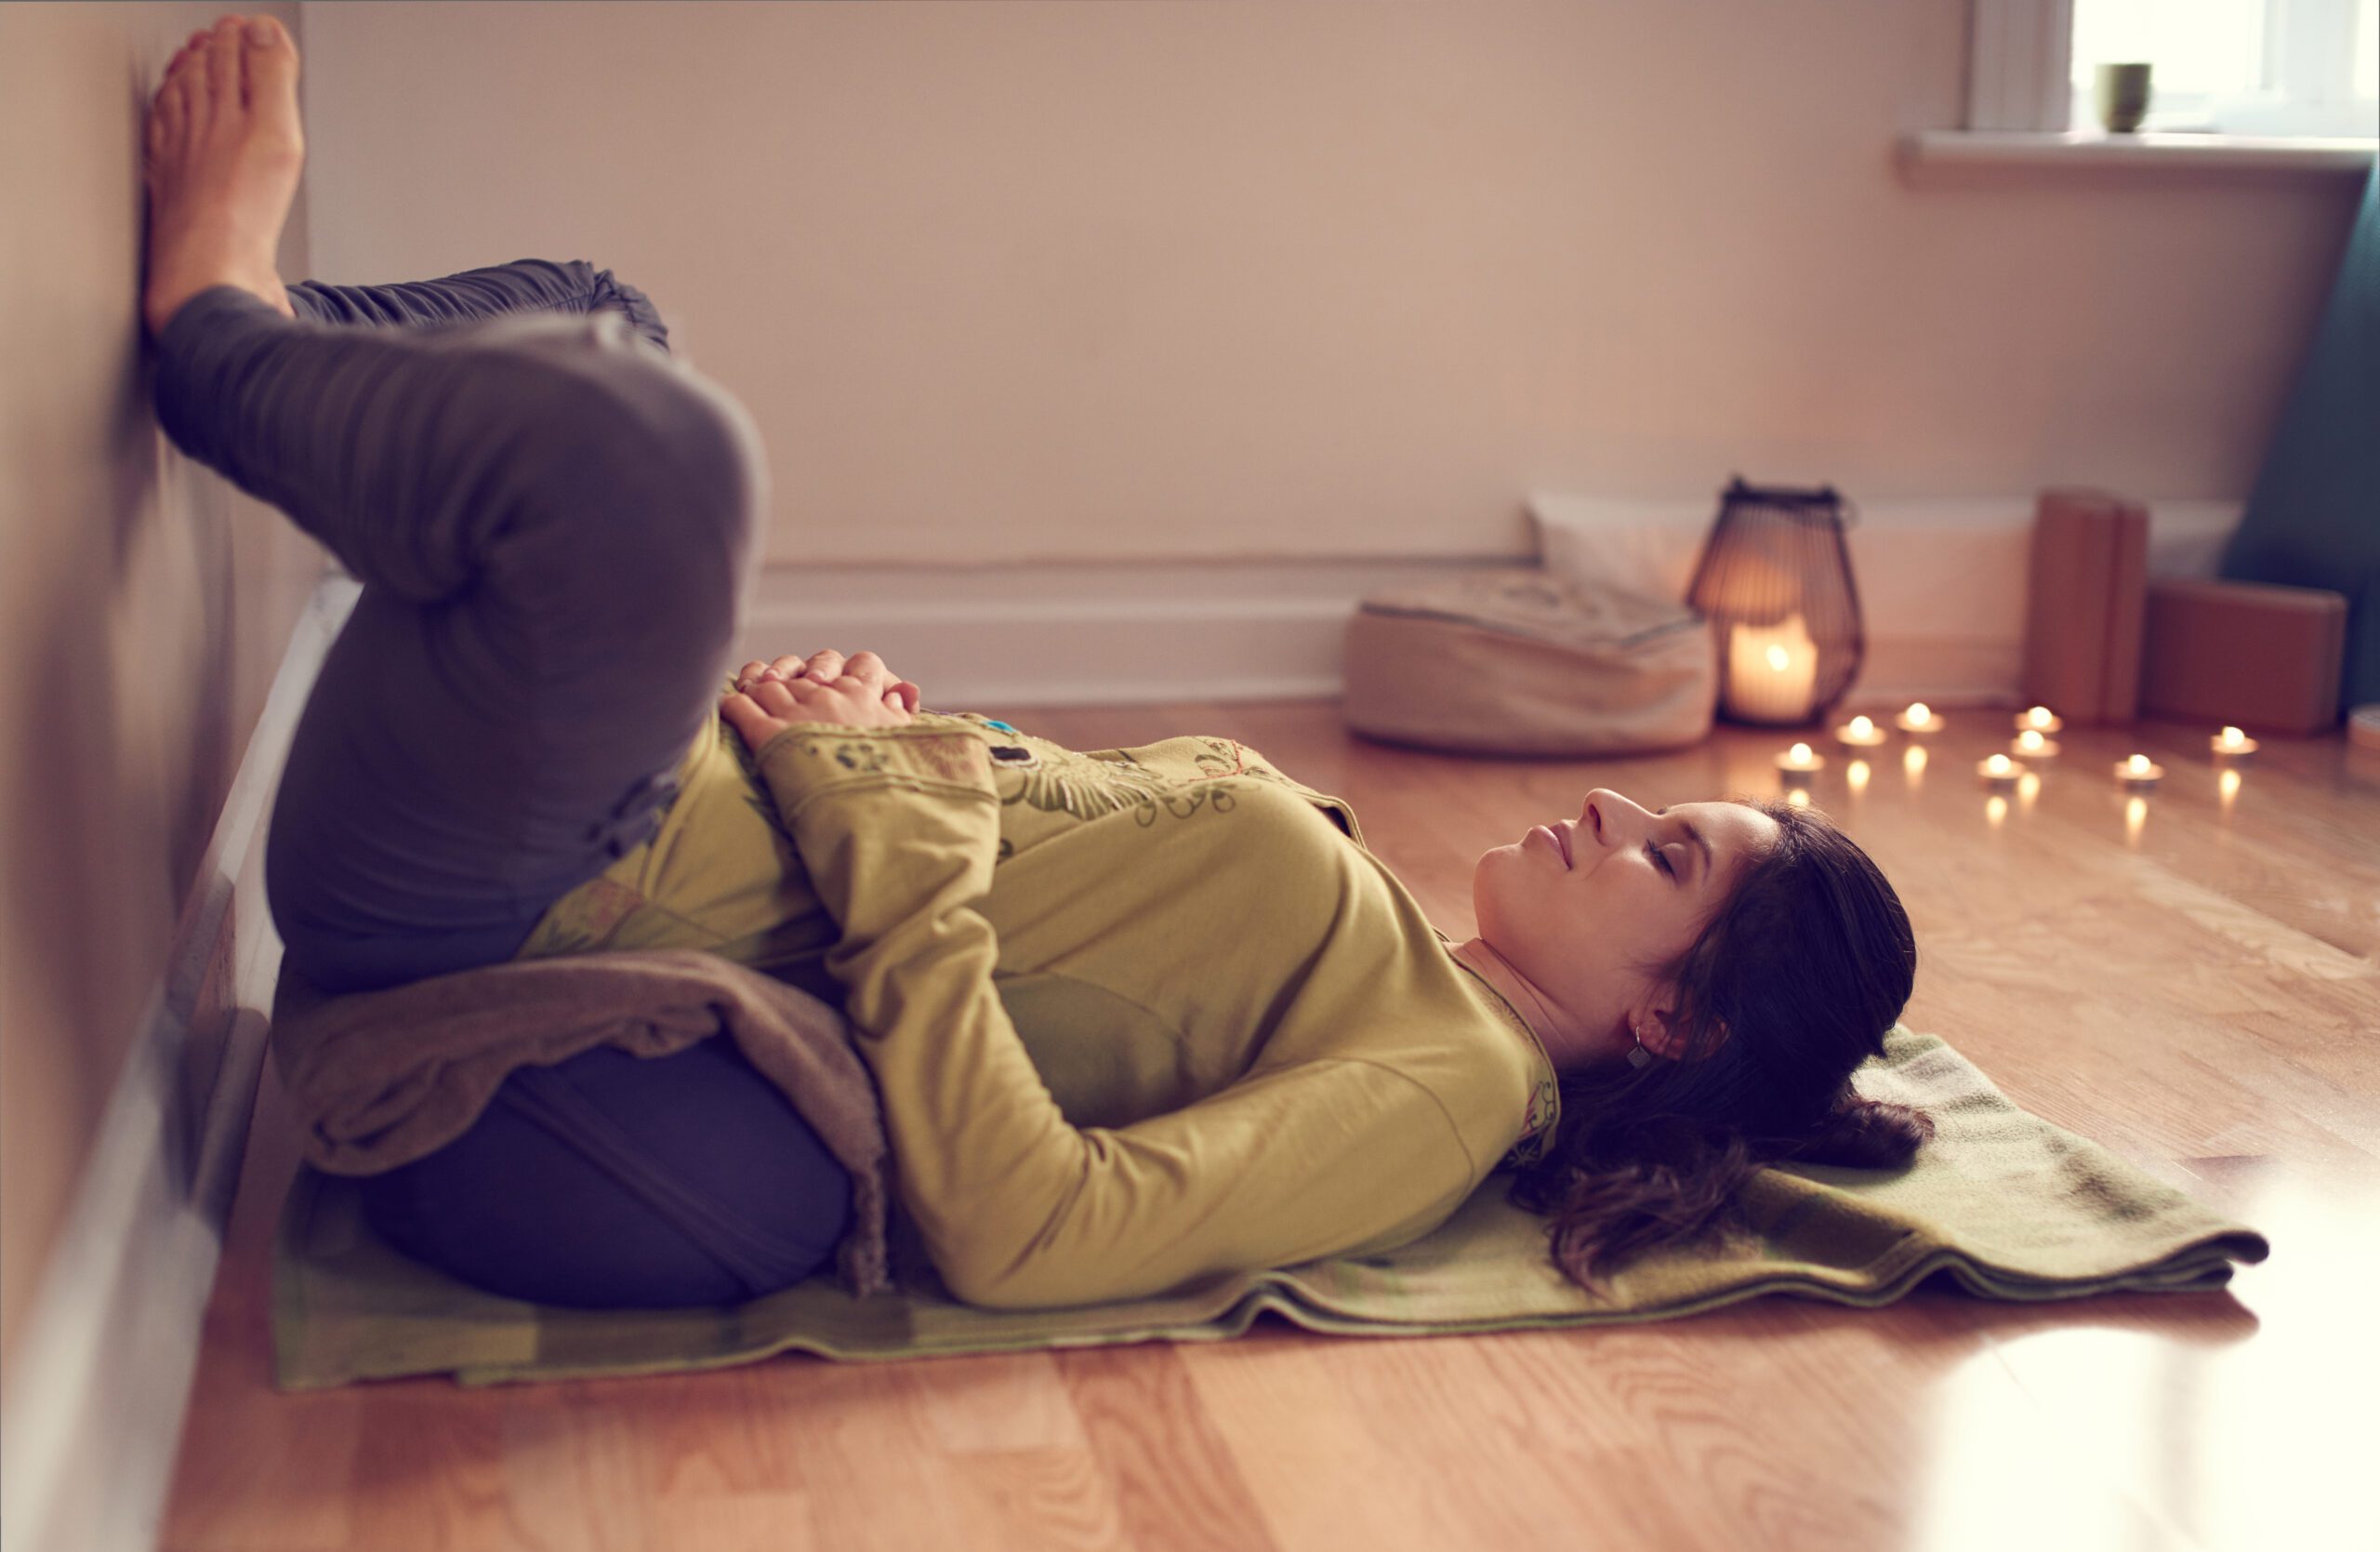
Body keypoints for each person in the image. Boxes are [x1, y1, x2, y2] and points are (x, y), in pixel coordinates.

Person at [144, 15, 1930, 1315]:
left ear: (1672, 1020)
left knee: (664, 461)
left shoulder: (1447, 1089)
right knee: (621, 326)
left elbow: (1041, 1229)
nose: (1612, 806)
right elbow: (1047, 897)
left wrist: (874, 791)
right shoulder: (1398, 944)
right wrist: (901, 734)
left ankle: (215, 332)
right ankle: (290, 345)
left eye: (1667, 856)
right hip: (617, 802)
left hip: (539, 901)